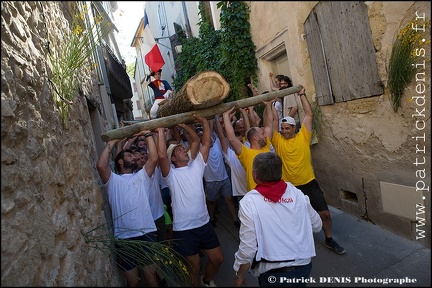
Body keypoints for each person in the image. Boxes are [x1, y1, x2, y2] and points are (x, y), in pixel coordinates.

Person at [269, 85, 346, 255]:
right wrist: (270, 106)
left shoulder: (303, 137)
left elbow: (309, 115)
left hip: (309, 183)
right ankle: (296, 244)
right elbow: (273, 122)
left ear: (294, 129)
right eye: (282, 129)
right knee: (294, 219)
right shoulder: (278, 141)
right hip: (290, 187)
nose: (284, 131)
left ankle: (329, 239)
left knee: (324, 213)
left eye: (287, 128)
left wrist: (302, 95)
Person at [233, 152, 322, 287]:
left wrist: (240, 274)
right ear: (280, 172)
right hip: (303, 266)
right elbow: (317, 225)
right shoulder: (297, 193)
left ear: (255, 175)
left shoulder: (249, 202)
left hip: (273, 273)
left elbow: (248, 249)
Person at [156, 116, 223, 287]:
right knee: (195, 267)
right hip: (184, 230)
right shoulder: (170, 176)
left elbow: (205, 142)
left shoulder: (197, 166)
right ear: (173, 159)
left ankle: (207, 281)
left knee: (218, 259)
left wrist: (191, 124)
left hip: (204, 225)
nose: (184, 150)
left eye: (182, 148)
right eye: (178, 150)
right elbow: (161, 154)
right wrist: (160, 131)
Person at [96, 130, 159, 287]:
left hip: (146, 234)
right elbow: (101, 165)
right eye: (130, 156)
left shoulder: (142, 176)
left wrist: (148, 134)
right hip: (124, 239)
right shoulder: (113, 181)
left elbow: (154, 157)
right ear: (121, 162)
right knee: (132, 282)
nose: (135, 157)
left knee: (151, 278)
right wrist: (112, 142)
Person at [222, 104, 273, 192]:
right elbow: (231, 138)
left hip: (272, 192)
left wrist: (268, 105)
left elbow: (269, 125)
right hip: (257, 197)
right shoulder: (246, 154)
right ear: (255, 138)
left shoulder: (266, 147)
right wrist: (226, 116)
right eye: (262, 134)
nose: (265, 136)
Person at [203, 119, 240, 229]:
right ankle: (212, 218)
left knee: (229, 200)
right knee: (212, 202)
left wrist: (213, 118)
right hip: (211, 181)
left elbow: (219, 133)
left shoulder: (218, 143)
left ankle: (235, 220)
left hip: (224, 179)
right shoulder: (202, 150)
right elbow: (206, 134)